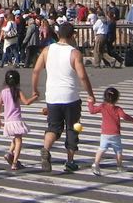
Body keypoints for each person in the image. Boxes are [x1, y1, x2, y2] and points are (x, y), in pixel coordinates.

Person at [31, 21, 96, 173]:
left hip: (52, 96)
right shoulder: (74, 53)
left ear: (58, 34)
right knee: (72, 128)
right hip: (70, 97)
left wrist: (35, 90)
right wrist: (90, 95)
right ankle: (70, 161)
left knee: (53, 127)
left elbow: (36, 71)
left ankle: (46, 149)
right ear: (72, 35)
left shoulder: (47, 50)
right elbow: (83, 77)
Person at [87, 86, 133, 176]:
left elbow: (92, 111)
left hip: (104, 133)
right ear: (117, 99)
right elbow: (124, 116)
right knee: (118, 150)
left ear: (104, 97)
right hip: (115, 133)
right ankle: (119, 166)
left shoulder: (102, 106)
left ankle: (96, 164)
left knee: (101, 149)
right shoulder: (118, 109)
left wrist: (90, 103)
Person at [0, 69, 36, 170]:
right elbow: (26, 102)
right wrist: (35, 97)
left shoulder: (3, 92)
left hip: (8, 120)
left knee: (15, 138)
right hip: (16, 119)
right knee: (19, 140)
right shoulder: (17, 91)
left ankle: (9, 153)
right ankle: (15, 162)